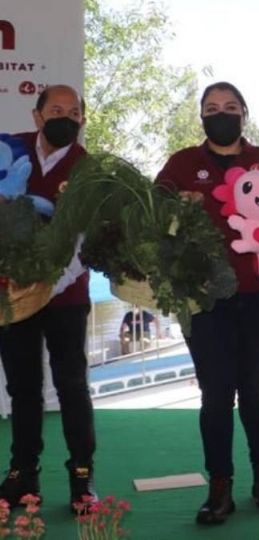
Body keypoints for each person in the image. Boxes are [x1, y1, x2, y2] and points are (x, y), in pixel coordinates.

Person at [156, 81, 259, 525]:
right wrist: (180, 204)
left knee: (254, 388)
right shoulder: (181, 164)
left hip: (258, 294)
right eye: (211, 107)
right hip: (202, 297)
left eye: (230, 106)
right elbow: (154, 214)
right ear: (201, 117)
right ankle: (219, 486)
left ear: (244, 114)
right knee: (215, 394)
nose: (221, 113)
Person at [0, 85, 98, 512]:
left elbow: (86, 240)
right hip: (12, 295)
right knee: (23, 388)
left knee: (72, 386)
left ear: (82, 120)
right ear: (37, 116)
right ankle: (23, 475)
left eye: (74, 112)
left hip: (65, 296)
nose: (66, 117)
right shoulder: (9, 150)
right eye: (56, 110)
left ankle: (81, 476)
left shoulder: (88, 169)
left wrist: (50, 283)